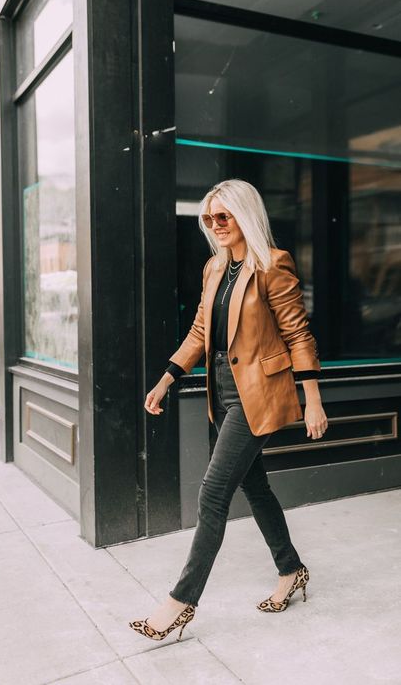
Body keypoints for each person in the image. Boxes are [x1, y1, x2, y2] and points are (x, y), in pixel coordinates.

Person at [129, 179, 328, 643]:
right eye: (209, 218)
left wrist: (312, 398)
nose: (215, 225)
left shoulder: (271, 265)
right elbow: (200, 331)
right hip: (221, 390)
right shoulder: (215, 268)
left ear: (244, 215)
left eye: (224, 216)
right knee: (254, 486)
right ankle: (291, 569)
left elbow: (299, 334)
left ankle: (179, 603)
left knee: (212, 493)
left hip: (258, 392)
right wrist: (166, 378)